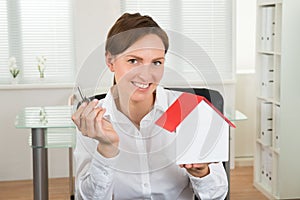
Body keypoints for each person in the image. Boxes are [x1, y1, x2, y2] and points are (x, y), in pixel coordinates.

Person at [72, 13, 228, 200]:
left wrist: (202, 172)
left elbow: (218, 194)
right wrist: (106, 149)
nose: (146, 75)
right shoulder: (94, 120)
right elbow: (87, 198)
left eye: (156, 62)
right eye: (133, 61)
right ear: (110, 61)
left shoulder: (187, 109)